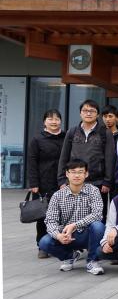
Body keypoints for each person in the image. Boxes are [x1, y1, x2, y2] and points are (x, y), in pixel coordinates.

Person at [39, 159, 106, 274]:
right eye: (73, 172)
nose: (77, 175)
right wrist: (58, 235)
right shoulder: (58, 195)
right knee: (44, 242)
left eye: (80, 172)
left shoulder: (94, 191)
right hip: (67, 236)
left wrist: (74, 225)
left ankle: (92, 261)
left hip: (88, 234)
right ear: (67, 174)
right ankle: (70, 256)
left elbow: (97, 214)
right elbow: (50, 220)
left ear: (86, 174)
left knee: (98, 226)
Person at [57, 99, 114, 216]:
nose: (88, 113)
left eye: (92, 111)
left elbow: (110, 158)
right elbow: (64, 157)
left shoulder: (105, 132)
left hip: (98, 183)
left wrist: (107, 181)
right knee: (73, 216)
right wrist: (61, 179)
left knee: (98, 217)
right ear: (80, 113)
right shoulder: (72, 132)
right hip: (74, 181)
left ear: (97, 114)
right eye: (85, 110)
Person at [27, 109, 66, 258]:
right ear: (44, 122)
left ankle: (62, 243)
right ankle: (42, 245)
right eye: (50, 119)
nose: (54, 122)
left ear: (61, 121)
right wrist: (34, 183)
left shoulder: (66, 137)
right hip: (43, 183)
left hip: (63, 182)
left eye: (57, 119)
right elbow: (31, 162)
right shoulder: (37, 139)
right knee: (43, 216)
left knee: (64, 214)